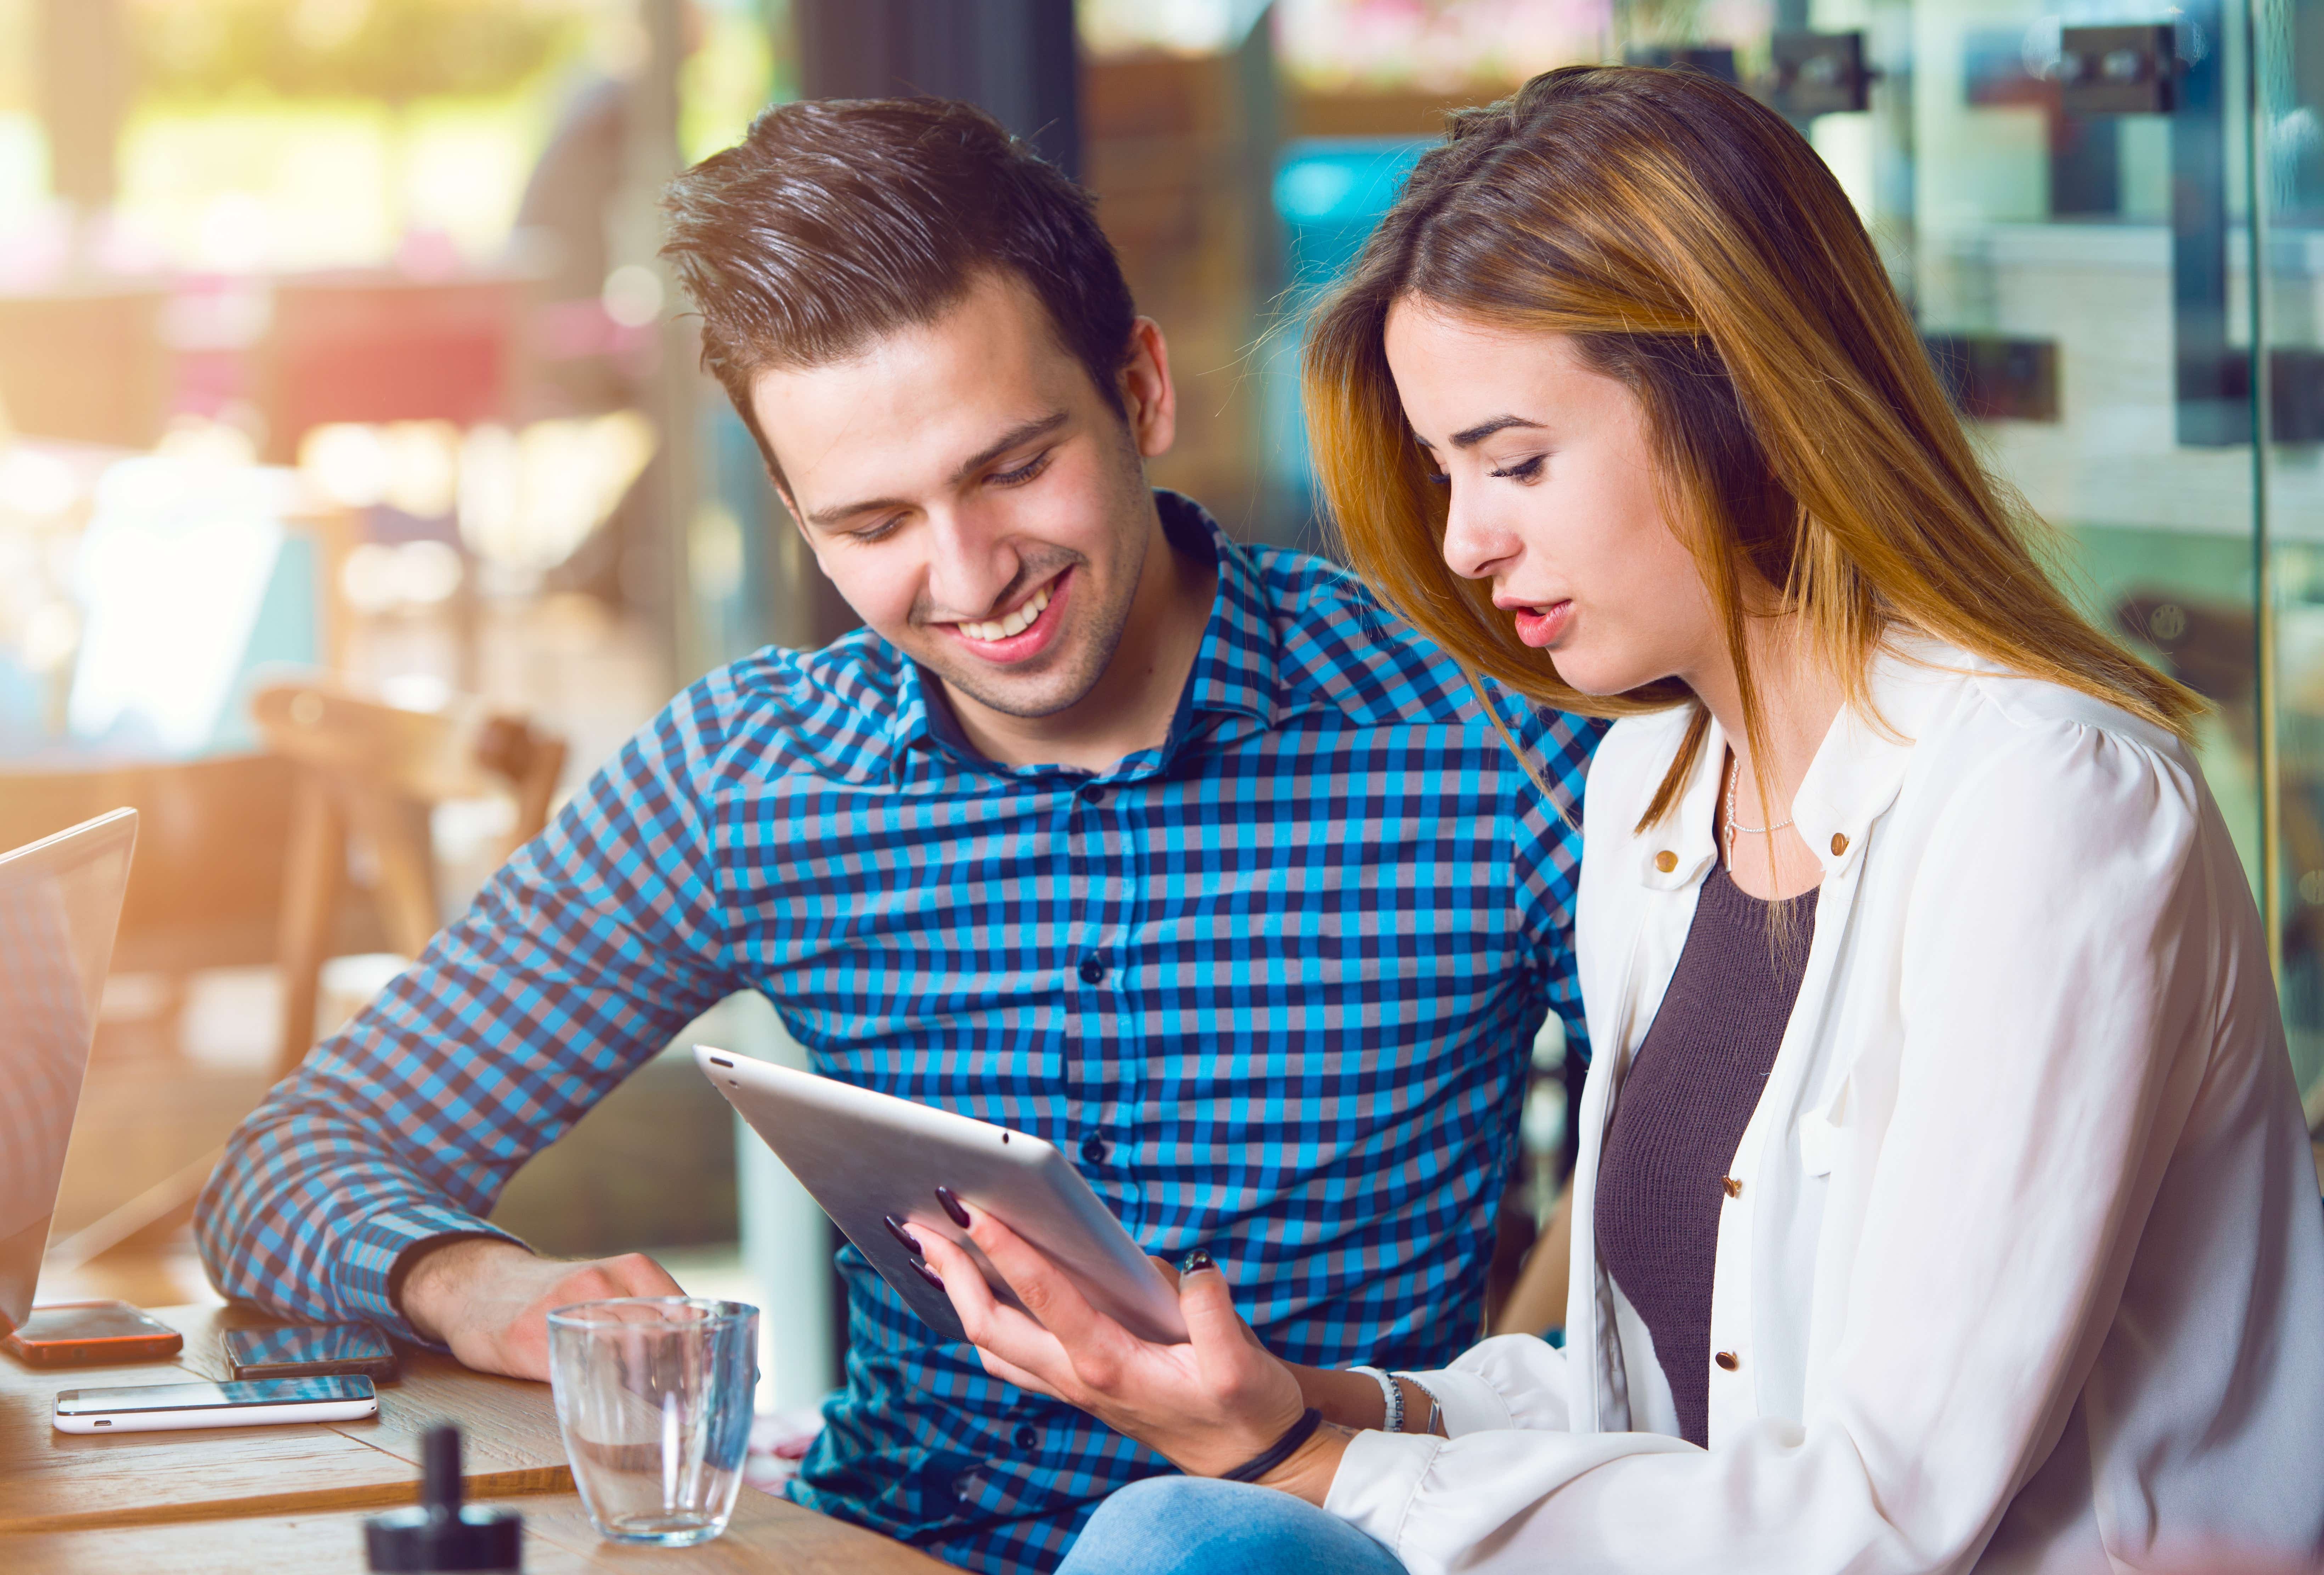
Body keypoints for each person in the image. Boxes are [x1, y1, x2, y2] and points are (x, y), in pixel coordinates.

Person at [911, 65, 2324, 1575]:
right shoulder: (1651, 787)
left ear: (1741, 399)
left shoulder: (2045, 804)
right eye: (1447, 469)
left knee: (1176, 1534)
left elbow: (1873, 1515)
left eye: (1514, 460)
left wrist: (1298, 1462)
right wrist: (1316, 1400)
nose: (1463, 539)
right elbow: (1652, 1404)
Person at [193, 98, 1604, 1575]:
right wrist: (463, 1277)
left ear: (1138, 387)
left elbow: (1733, 1232)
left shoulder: (1479, 726)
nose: (971, 575)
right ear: (797, 520)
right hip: (877, 1541)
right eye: (871, 522)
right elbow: (292, 1161)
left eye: (1010, 468)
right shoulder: (751, 773)